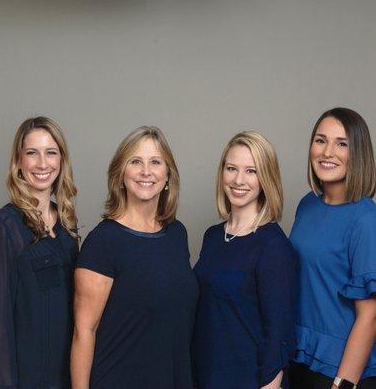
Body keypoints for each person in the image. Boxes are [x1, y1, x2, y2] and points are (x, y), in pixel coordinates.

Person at [71, 126, 199, 389]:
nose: (146, 171)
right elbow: (84, 332)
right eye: (135, 161)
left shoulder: (177, 233)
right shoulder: (103, 242)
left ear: (167, 176)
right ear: (120, 174)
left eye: (155, 162)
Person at [192, 131, 296, 389]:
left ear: (266, 178)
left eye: (251, 171)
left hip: (247, 380)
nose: (239, 180)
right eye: (232, 168)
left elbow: (279, 336)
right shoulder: (213, 237)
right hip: (204, 376)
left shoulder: (273, 246)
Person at [0, 117, 79, 389]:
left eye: (51, 152)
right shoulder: (5, 225)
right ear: (19, 161)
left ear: (61, 160)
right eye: (32, 153)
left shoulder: (66, 223)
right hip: (25, 375)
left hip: (64, 372)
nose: (42, 163)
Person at [289, 108, 376, 389]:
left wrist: (343, 383)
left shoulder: (366, 219)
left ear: (358, 153)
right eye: (320, 140)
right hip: (300, 355)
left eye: (342, 143)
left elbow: (371, 314)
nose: (328, 152)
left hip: (341, 370)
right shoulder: (307, 205)